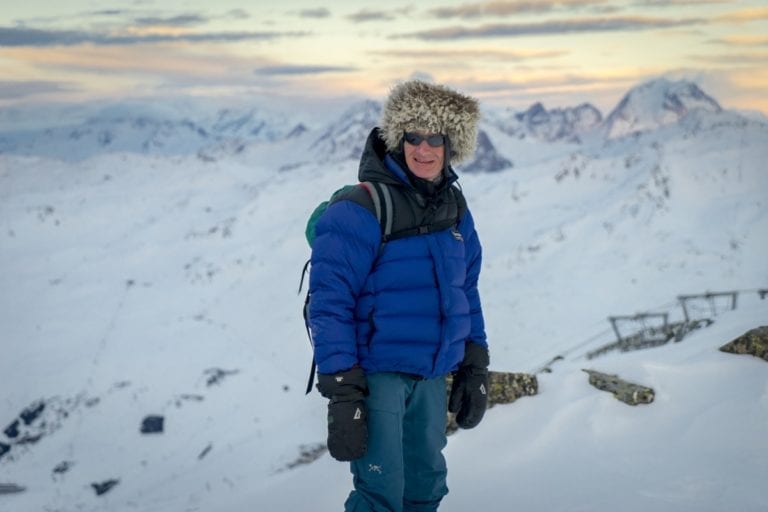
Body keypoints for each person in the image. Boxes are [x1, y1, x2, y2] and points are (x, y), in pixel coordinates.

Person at [308, 79, 489, 512]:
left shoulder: (455, 210)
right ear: (398, 138)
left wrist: (475, 362)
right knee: (380, 494)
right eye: (413, 137)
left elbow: (466, 290)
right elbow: (330, 303)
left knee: (426, 488)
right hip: (378, 376)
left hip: (429, 376)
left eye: (435, 139)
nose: (422, 150)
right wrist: (343, 391)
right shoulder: (360, 208)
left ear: (452, 146)